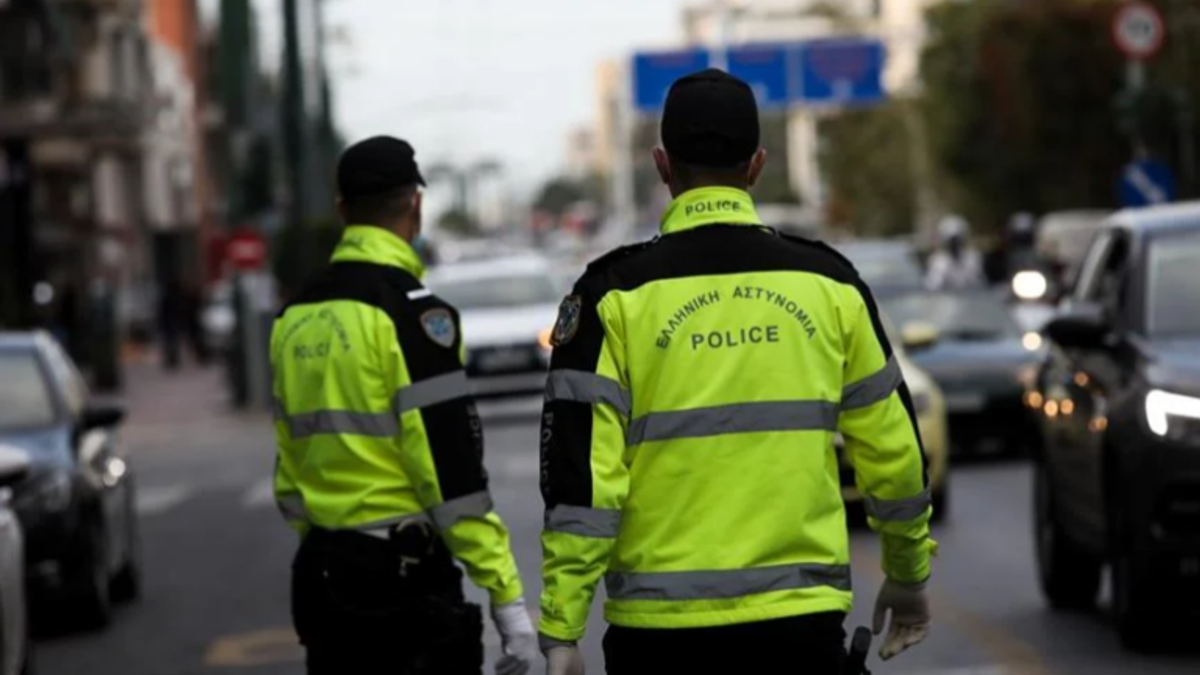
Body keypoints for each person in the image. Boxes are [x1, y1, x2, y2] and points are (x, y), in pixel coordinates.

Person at [536, 69, 936, 675]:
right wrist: (908, 574)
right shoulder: (829, 285)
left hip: (659, 640)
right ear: (757, 165)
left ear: (662, 166)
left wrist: (562, 629)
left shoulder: (610, 296)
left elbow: (582, 483)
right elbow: (894, 454)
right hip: (801, 630)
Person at [270, 136, 537, 675]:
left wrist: (327, 540)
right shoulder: (413, 316)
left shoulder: (293, 315)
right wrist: (505, 595)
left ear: (342, 210)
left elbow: (289, 467)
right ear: (416, 204)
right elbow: (450, 471)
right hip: (401, 584)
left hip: (322, 578)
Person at [924, 214, 983, 290]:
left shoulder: (973, 258)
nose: (955, 244)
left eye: (957, 240)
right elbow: (933, 285)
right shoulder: (938, 261)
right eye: (951, 240)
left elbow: (977, 283)